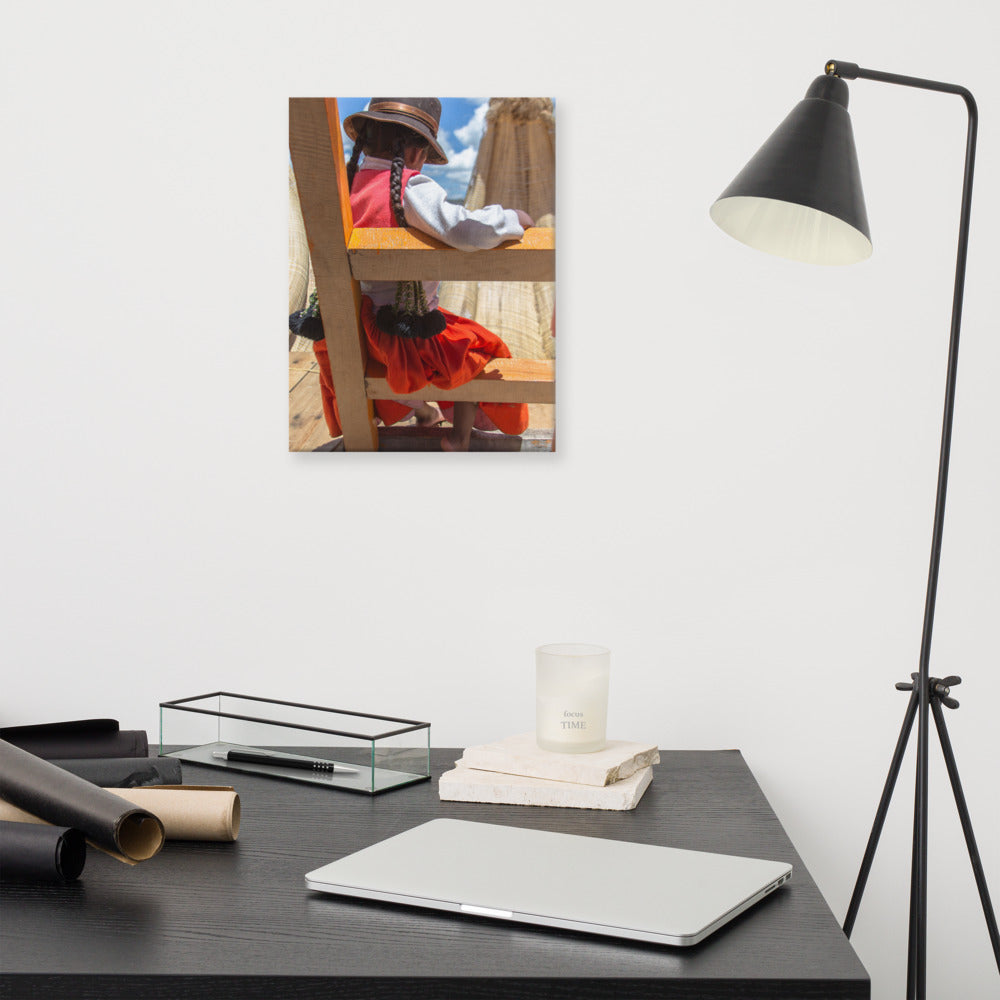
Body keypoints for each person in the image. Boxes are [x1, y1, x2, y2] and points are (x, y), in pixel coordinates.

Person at [306, 98, 532, 451]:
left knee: (452, 332)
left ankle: (422, 413)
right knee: (479, 346)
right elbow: (465, 230)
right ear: (416, 153)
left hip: (356, 334)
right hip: (404, 340)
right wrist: (512, 219)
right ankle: (458, 439)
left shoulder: (346, 188)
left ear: (365, 139)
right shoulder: (410, 188)